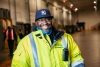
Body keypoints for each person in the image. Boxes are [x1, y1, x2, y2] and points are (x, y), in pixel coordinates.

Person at [11, 9, 85, 67]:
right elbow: (19, 64)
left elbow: (76, 57)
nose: (45, 23)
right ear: (36, 23)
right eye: (41, 20)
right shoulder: (26, 42)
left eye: (47, 19)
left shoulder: (66, 38)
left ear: (51, 21)